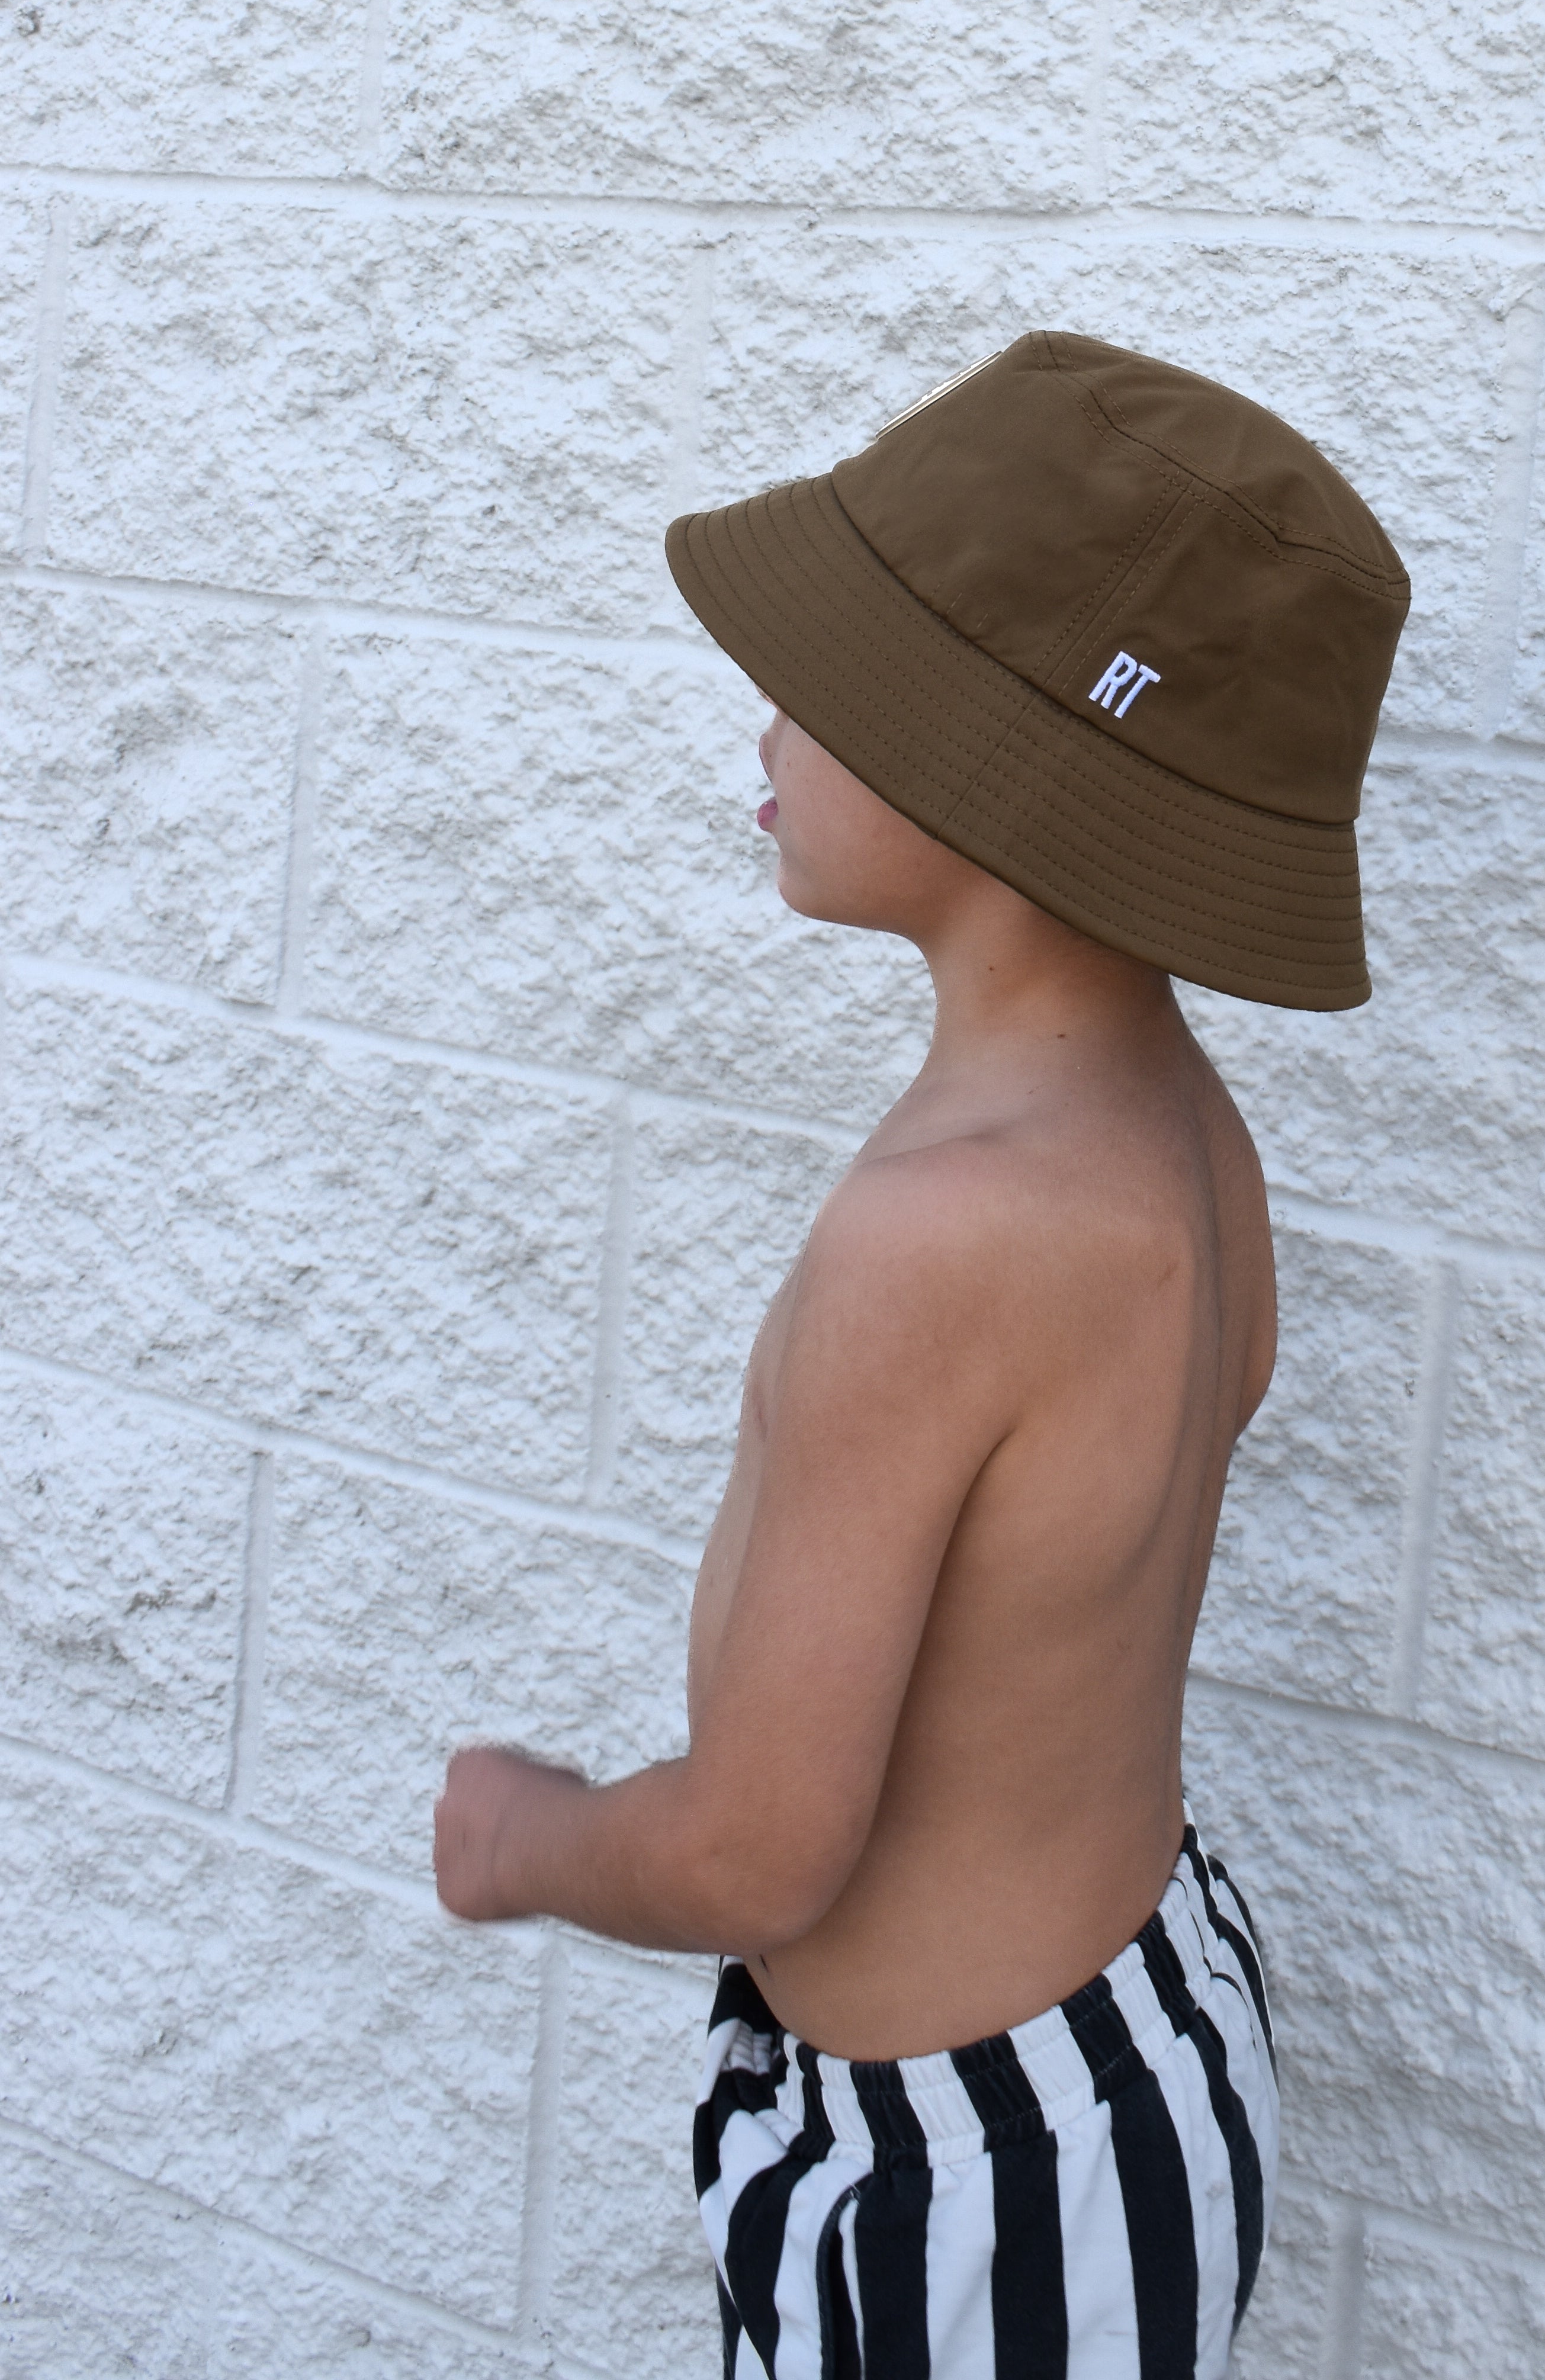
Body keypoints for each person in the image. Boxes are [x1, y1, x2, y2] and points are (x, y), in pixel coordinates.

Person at [433, 328, 1410, 2378]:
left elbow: (761, 1846)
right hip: (1128, 2043)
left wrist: (528, 1835)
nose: (768, 714)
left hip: (982, 2185)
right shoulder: (1179, 1138)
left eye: (841, 674)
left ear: (1014, 767)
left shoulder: (942, 1236)